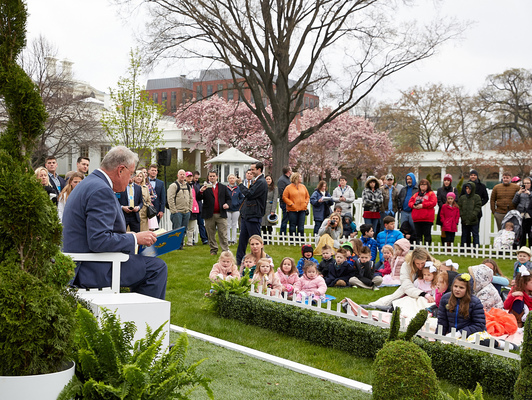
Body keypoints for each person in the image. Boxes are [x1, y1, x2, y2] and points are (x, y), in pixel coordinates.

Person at [62, 146, 167, 300]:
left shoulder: (91, 183)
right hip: (92, 269)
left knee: (147, 265)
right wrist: (135, 239)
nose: (131, 179)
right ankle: (143, 322)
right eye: (130, 174)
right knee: (157, 268)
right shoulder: (101, 190)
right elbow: (98, 240)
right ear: (120, 170)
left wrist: (130, 235)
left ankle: (131, 315)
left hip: (82, 263)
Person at [368, 247, 436, 308]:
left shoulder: (432, 267)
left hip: (430, 293)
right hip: (410, 292)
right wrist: (424, 294)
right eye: (417, 263)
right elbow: (407, 286)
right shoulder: (406, 266)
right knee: (392, 300)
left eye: (422, 263)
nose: (420, 266)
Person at [236, 162, 268, 266]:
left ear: (259, 170)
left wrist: (240, 184)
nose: (251, 171)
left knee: (256, 242)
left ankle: (260, 261)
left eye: (253, 169)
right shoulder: (257, 181)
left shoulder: (261, 182)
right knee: (242, 241)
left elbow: (250, 194)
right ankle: (239, 261)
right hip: (248, 215)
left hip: (253, 216)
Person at [437, 273, 486, 337]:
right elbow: (442, 321)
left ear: (468, 289)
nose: (457, 289)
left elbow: (480, 324)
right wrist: (438, 338)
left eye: (461, 287)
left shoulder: (475, 302)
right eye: (455, 286)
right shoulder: (446, 298)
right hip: (451, 335)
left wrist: (459, 333)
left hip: (471, 335)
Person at [197, 170, 231, 256]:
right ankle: (213, 250)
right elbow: (198, 198)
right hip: (209, 214)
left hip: (221, 214)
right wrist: (201, 191)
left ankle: (225, 250)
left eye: (213, 176)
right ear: (208, 177)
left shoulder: (223, 187)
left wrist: (227, 204)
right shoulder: (205, 187)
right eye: (210, 176)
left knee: (223, 233)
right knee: (210, 234)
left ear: (217, 177)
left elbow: (229, 198)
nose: (212, 178)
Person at [408, 179, 437, 246]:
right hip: (417, 219)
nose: (422, 186)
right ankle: (419, 248)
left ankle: (426, 249)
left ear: (428, 185)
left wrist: (423, 205)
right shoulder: (416, 195)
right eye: (421, 184)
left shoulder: (431, 194)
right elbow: (410, 202)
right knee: (418, 236)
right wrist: (414, 206)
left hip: (427, 219)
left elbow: (433, 203)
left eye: (424, 184)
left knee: (427, 235)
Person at [282, 172, 310, 238]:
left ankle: (301, 239)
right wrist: (291, 204)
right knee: (292, 225)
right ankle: (293, 239)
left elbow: (307, 196)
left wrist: (305, 203)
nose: (301, 178)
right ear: (296, 178)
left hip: (302, 209)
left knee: (301, 226)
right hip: (292, 210)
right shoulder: (288, 188)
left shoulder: (303, 187)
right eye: (300, 177)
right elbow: (284, 197)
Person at [167, 169, 193, 237]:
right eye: (180, 174)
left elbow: (191, 198)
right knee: (176, 231)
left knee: (184, 230)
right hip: (177, 212)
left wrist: (189, 209)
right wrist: (174, 211)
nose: (182, 176)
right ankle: (175, 246)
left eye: (183, 174)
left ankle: (181, 245)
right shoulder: (173, 186)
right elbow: (170, 199)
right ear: (177, 175)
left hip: (186, 212)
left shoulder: (188, 186)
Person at [457, 182, 482, 249]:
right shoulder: (462, 198)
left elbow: (477, 207)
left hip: (474, 220)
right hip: (464, 220)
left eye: (469, 189)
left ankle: (476, 249)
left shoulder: (476, 197)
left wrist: (473, 215)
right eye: (466, 188)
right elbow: (460, 207)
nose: (468, 190)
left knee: (475, 234)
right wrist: (462, 215)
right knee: (464, 235)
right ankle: (463, 249)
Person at [513, 177, 532, 247]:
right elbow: (514, 202)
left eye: (528, 183)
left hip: (530, 215)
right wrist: (518, 193)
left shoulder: (531, 192)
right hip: (521, 214)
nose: (526, 185)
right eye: (524, 183)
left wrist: (530, 194)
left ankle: (530, 247)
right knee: (522, 233)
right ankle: (522, 248)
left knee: (530, 233)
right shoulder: (520, 192)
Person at [227, 174, 244, 246]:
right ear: (228, 179)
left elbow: (242, 197)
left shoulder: (238, 188)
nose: (231, 180)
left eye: (233, 178)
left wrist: (238, 203)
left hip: (236, 209)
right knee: (227, 225)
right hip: (227, 209)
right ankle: (228, 239)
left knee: (234, 225)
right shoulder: (226, 188)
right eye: (230, 178)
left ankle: (233, 240)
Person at [193, 171, 209, 245]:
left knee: (201, 223)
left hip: (199, 206)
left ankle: (204, 239)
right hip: (193, 207)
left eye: (197, 178)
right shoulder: (191, 185)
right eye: (195, 178)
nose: (196, 179)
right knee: (192, 225)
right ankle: (192, 239)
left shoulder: (198, 184)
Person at [261, 175, 278, 241]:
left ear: (271, 180)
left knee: (269, 224)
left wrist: (273, 210)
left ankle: (269, 238)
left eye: (269, 179)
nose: (268, 180)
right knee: (263, 224)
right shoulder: (262, 188)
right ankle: (264, 238)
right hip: (263, 207)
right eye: (266, 179)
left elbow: (275, 199)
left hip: (270, 207)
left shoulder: (274, 188)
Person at [186, 171, 200, 245]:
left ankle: (190, 241)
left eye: (190, 176)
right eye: (188, 176)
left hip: (194, 208)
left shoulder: (194, 186)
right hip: (185, 208)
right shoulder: (183, 186)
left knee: (192, 227)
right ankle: (181, 242)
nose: (189, 178)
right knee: (184, 227)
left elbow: (198, 196)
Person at [277, 166, 292, 236]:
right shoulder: (282, 180)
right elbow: (281, 193)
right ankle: (282, 235)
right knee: (285, 220)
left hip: (289, 202)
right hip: (285, 203)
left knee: (289, 220)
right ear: (288, 171)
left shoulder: (288, 179)